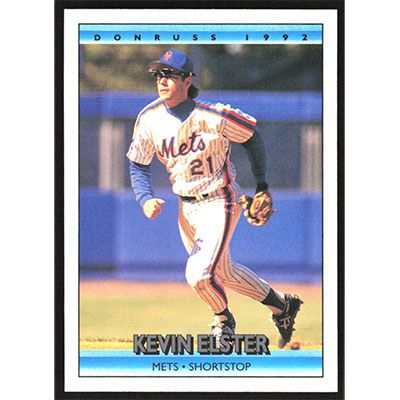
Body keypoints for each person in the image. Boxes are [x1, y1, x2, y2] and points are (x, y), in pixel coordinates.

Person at [126, 48, 302, 349]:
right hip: (185, 206)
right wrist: (145, 198)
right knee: (223, 272)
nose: (162, 80)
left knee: (198, 275)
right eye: (158, 75)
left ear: (188, 80)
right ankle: (282, 306)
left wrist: (262, 185)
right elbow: (138, 164)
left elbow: (252, 136)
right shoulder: (149, 118)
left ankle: (223, 321)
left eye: (170, 75)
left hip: (220, 200)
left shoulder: (214, 115)